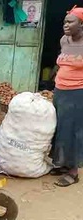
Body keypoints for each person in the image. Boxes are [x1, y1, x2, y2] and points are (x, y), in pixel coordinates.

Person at [49, 6, 83, 187]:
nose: (66, 25)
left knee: (74, 131)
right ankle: (61, 163)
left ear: (82, 24)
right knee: (60, 128)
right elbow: (61, 60)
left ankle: (73, 171)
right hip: (60, 90)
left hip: (78, 92)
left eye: (71, 22)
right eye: (65, 22)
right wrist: (51, 80)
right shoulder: (64, 40)